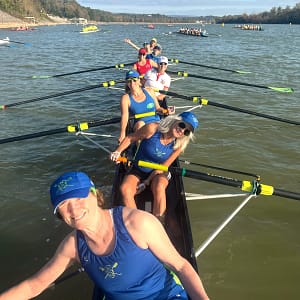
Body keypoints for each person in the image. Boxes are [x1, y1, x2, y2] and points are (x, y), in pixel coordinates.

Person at [0, 171, 209, 300]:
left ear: (95, 195)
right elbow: (33, 285)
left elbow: (181, 266)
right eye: (64, 204)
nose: (73, 210)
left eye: (79, 198)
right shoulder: (72, 247)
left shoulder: (138, 223)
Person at [111, 111, 199, 222]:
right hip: (139, 168)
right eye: (182, 125)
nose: (182, 130)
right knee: (125, 190)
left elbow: (162, 167)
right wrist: (117, 152)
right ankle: (137, 222)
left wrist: (147, 181)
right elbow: (130, 138)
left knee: (159, 186)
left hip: (159, 172)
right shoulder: (152, 129)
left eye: (186, 131)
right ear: (175, 120)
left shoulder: (179, 145)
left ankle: (159, 223)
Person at [118, 69, 164, 144]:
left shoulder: (149, 91)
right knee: (140, 125)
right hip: (140, 123)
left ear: (139, 81)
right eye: (129, 81)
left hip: (155, 121)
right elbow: (125, 117)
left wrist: (165, 110)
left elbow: (158, 108)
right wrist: (122, 133)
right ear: (127, 83)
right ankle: (140, 148)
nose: (132, 83)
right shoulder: (125, 98)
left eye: (134, 80)